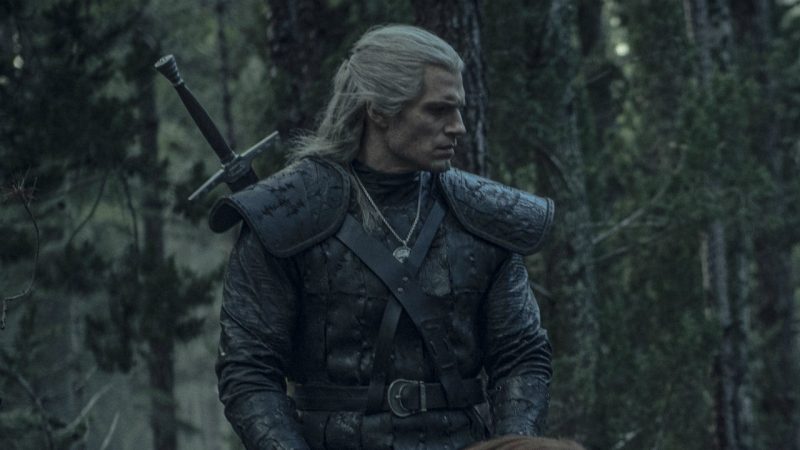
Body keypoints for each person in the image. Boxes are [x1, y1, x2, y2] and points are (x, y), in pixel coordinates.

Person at [210, 24, 554, 450]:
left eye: (459, 110)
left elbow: (521, 354)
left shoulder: (481, 215)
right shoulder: (288, 214)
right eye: (438, 111)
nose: (459, 127)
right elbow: (248, 371)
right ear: (378, 111)